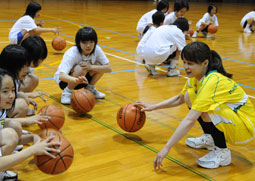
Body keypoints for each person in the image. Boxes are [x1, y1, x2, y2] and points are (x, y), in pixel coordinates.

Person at [135, 41, 255, 169]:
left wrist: (166, 148)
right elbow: (180, 98)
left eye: (190, 63)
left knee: (209, 109)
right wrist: (153, 107)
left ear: (205, 63)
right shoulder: (196, 76)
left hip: (245, 126)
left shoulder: (212, 81)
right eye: (185, 62)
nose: (185, 67)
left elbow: (190, 120)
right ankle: (210, 138)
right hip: (230, 119)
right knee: (189, 95)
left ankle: (223, 152)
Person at [0, 68, 60, 180]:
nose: (11, 95)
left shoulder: (1, 109)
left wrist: (32, 137)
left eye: (13, 90)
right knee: (10, 134)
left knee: (12, 130)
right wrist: (32, 150)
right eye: (5, 91)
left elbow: (3, 124)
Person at [54, 27, 112, 105]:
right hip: (65, 81)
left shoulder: (97, 49)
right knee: (81, 68)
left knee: (99, 65)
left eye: (91, 42)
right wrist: (75, 80)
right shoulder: (72, 53)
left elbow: (109, 68)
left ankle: (90, 88)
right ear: (79, 43)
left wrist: (91, 67)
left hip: (83, 80)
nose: (88, 45)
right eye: (84, 42)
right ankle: (67, 92)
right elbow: (61, 76)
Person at [0, 44, 49, 119]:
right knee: (21, 105)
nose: (26, 70)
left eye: (27, 66)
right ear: (12, 66)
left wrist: (28, 96)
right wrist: (28, 120)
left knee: (22, 96)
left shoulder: (10, 77)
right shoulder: (4, 80)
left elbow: (16, 94)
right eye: (23, 66)